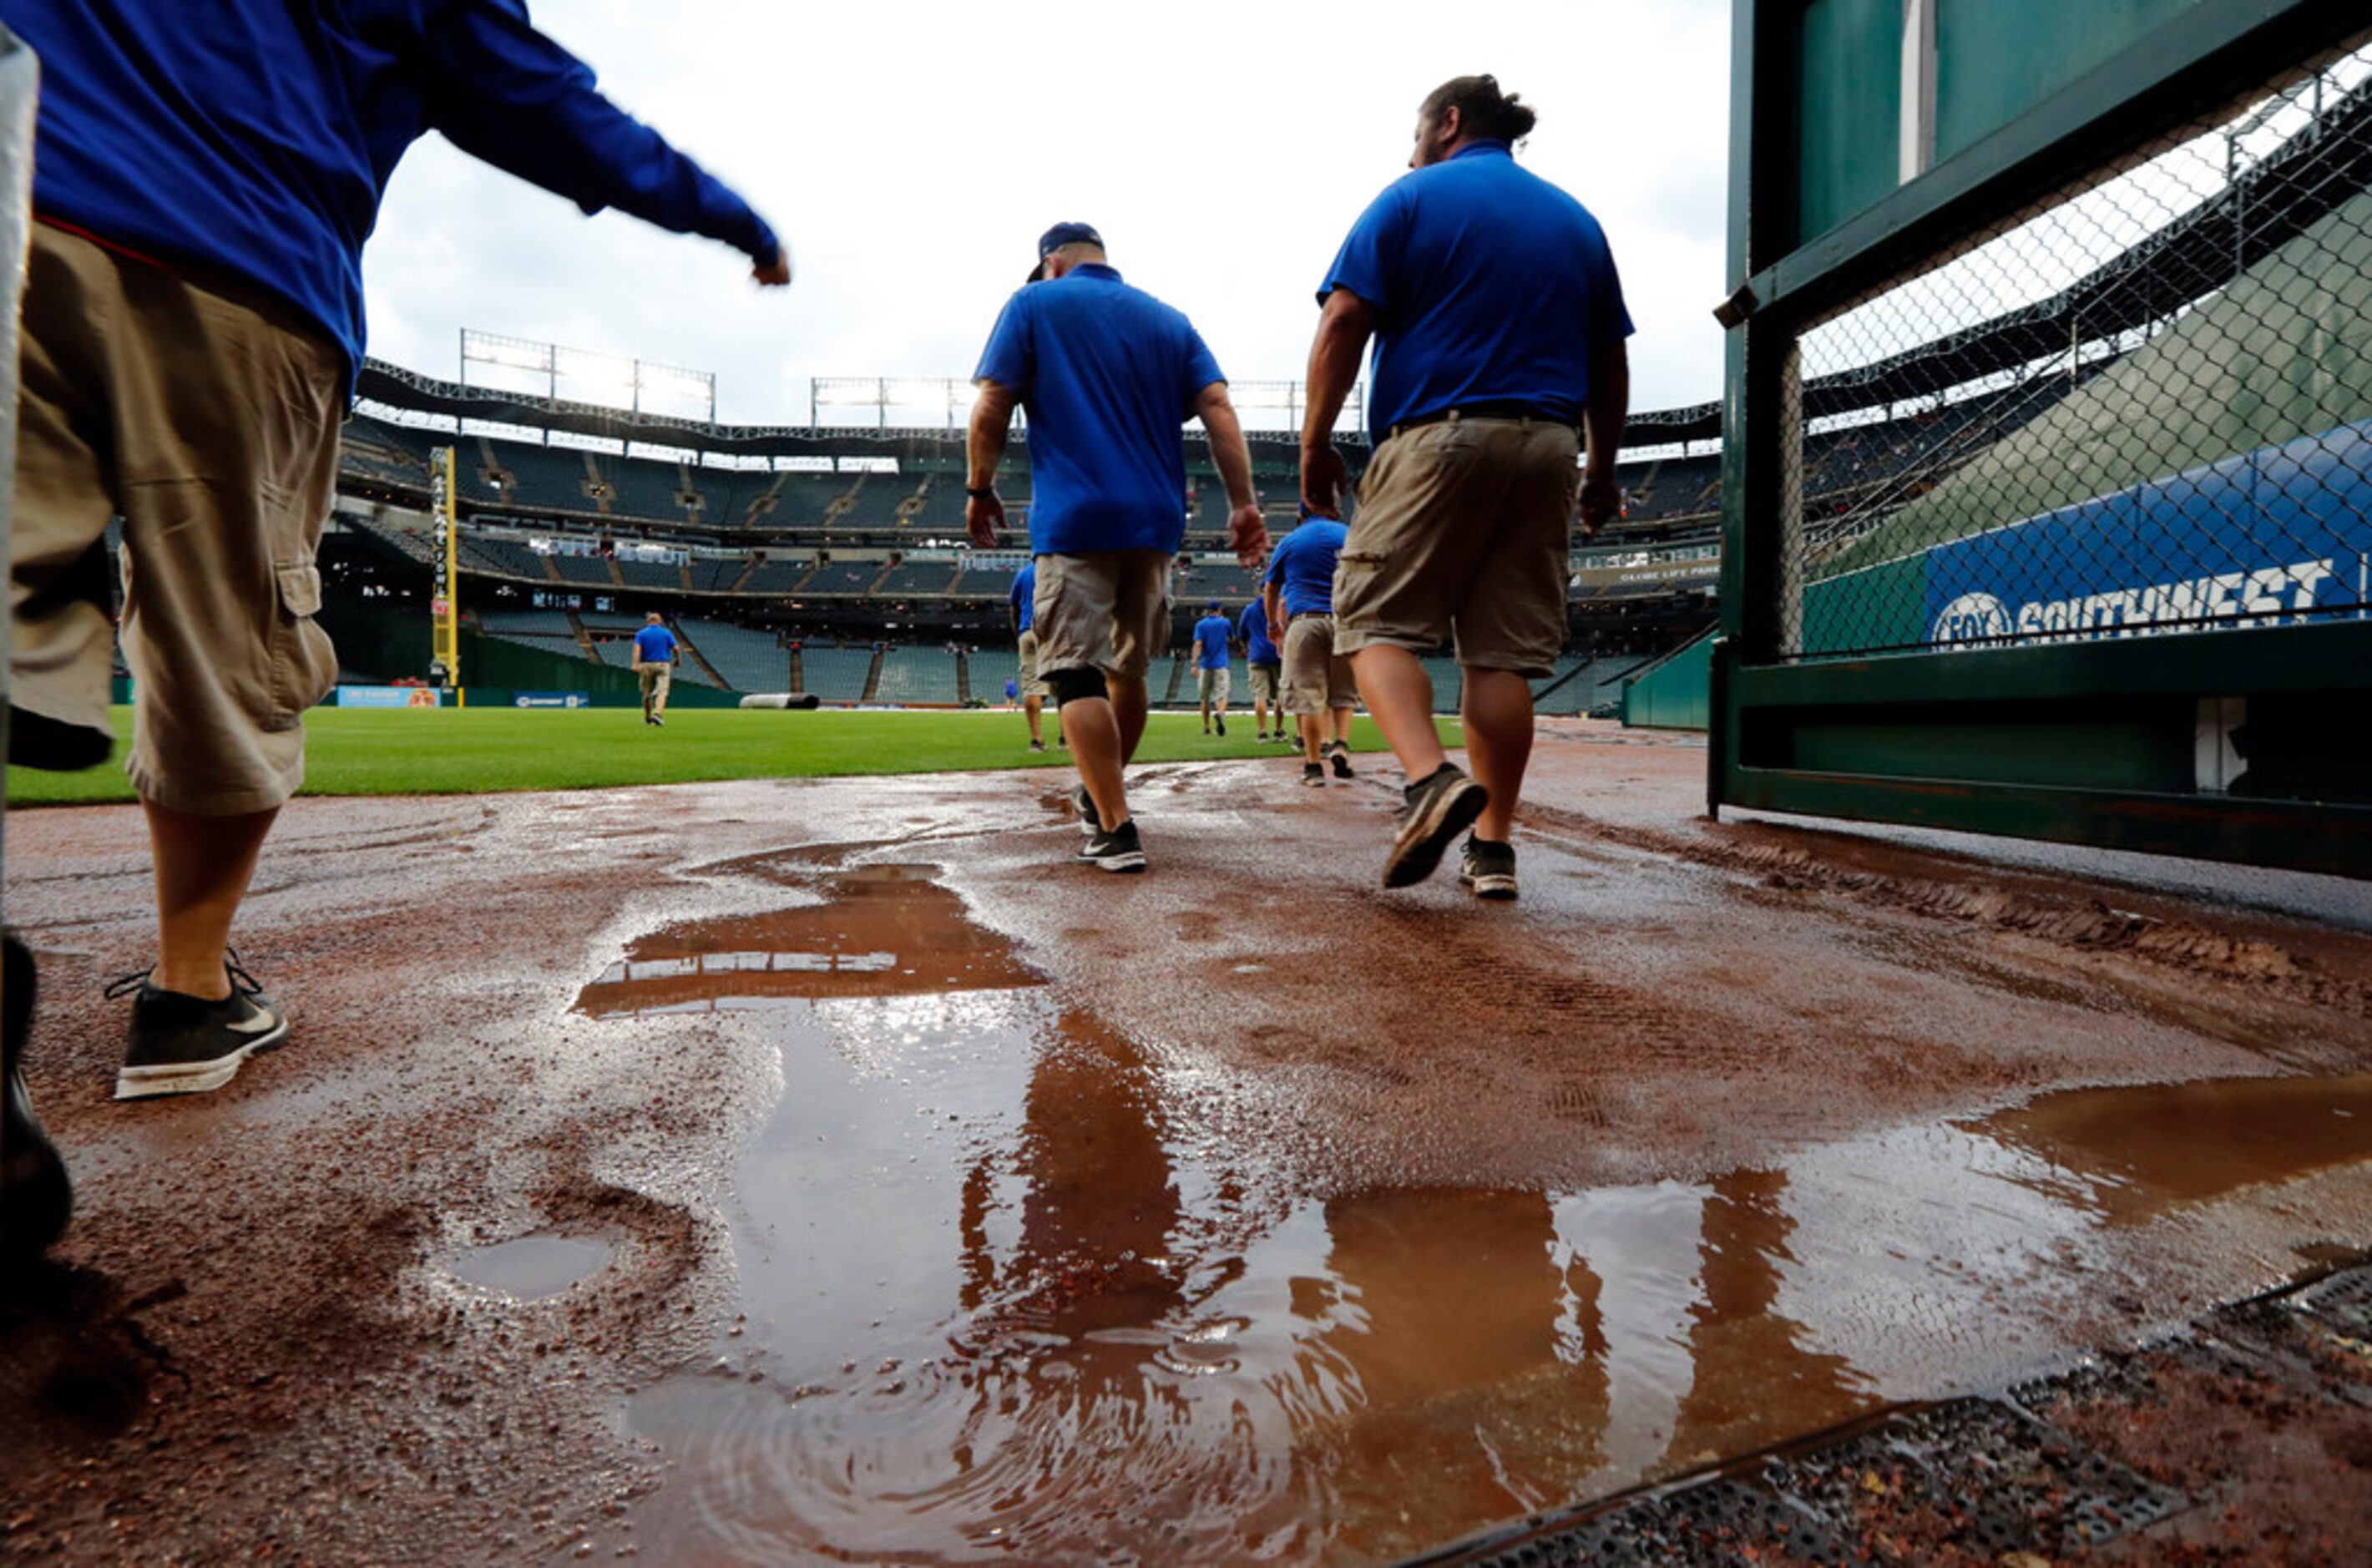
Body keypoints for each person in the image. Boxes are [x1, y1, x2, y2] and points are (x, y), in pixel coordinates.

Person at [7, 0, 791, 1110]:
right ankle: (187, 995)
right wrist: (733, 219)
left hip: (21, 206)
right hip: (242, 258)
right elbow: (537, 100)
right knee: (227, 652)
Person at [1300, 73, 1631, 899]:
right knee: (1501, 657)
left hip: (1440, 434)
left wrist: (1314, 443)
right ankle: (1494, 850)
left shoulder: (1412, 196)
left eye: (1418, 130)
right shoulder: (1576, 218)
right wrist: (1603, 469)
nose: (1410, 147)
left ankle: (1427, 781)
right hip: (1550, 445)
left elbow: (1344, 320)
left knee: (1371, 619)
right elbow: (1610, 360)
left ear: (1448, 123)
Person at [967, 221, 1265, 873]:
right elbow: (1217, 406)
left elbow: (993, 403)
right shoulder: (1169, 320)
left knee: (1073, 669)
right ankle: (1103, 796)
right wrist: (1243, 503)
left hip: (1076, 519)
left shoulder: (1032, 304)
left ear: (1051, 263)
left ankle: (1114, 824)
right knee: (1128, 671)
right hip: (1155, 523)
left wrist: (979, 487)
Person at [1264, 508, 1359, 787]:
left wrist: (1272, 626)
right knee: (1343, 693)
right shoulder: (1349, 534)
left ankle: (1314, 767)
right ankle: (1341, 743)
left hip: (1305, 621)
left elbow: (1272, 588)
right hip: (1344, 621)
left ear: (1300, 514)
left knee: (1308, 698)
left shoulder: (1291, 540)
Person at [1009, 559, 1053, 751]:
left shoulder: (1023, 573)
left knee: (1032, 686)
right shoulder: (1061, 568)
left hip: (1028, 631)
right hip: (1055, 631)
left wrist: (1019, 634)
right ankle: (1066, 739)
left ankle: (1037, 740)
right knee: (1065, 685)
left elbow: (1014, 609)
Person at [1237, 590, 1282, 742]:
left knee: (1260, 695)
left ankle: (1262, 732)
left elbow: (1242, 633)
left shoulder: (1250, 610)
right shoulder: (1280, 607)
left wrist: (1244, 647)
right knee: (1279, 696)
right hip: (1278, 654)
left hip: (1257, 655)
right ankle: (1278, 731)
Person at [1191, 600, 1232, 736]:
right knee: (1222, 695)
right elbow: (1232, 638)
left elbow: (1198, 644)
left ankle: (1207, 727)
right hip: (1221, 664)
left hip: (1205, 665)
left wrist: (1194, 664)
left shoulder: (1200, 625)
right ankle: (1220, 713)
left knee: (1204, 698)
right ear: (1219, 610)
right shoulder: (1226, 623)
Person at [632, 611, 678, 726]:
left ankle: (648, 718)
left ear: (648, 622)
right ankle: (657, 714)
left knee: (646, 693)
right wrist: (677, 660)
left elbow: (637, 650)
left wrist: (635, 664)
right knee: (662, 691)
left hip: (646, 665)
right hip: (663, 664)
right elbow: (676, 648)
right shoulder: (666, 633)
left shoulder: (641, 634)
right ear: (660, 621)